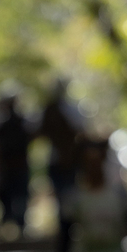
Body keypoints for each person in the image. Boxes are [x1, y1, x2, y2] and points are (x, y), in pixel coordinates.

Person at [38, 78, 86, 217]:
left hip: (70, 161)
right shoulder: (51, 109)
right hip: (58, 161)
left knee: (71, 195)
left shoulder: (71, 108)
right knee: (62, 197)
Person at [0, 95, 31, 233]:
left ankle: (16, 226)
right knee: (15, 198)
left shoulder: (10, 125)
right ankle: (15, 226)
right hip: (13, 168)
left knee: (16, 198)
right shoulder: (7, 125)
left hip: (15, 167)